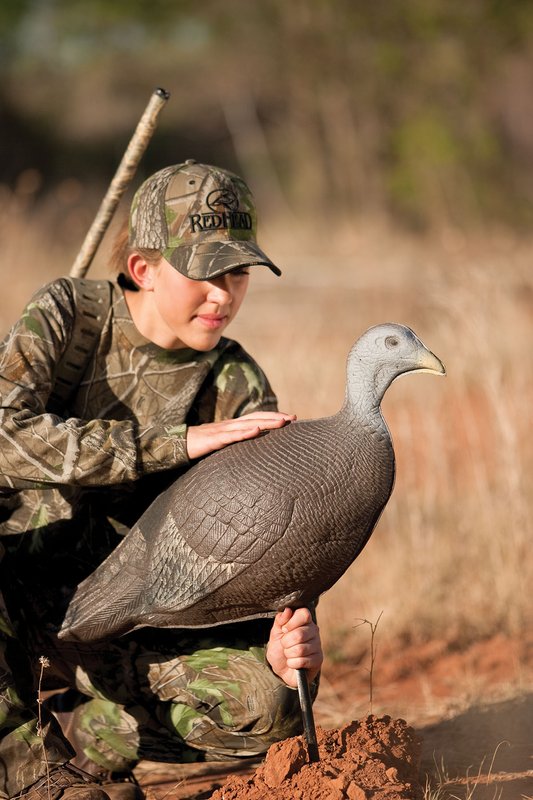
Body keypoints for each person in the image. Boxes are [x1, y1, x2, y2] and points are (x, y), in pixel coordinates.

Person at [0, 160, 323, 800]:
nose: (224, 296)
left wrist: (286, 650)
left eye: (237, 273)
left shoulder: (236, 385)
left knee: (268, 708)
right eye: (205, 273)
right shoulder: (67, 316)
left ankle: (85, 738)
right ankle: (30, 768)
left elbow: (258, 551)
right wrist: (173, 444)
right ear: (143, 270)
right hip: (19, 596)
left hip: (130, 626)